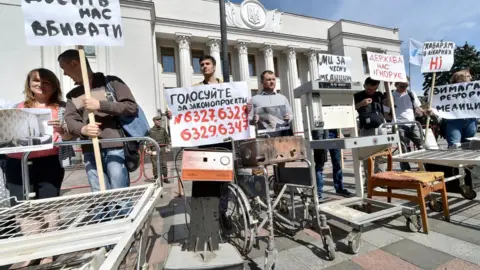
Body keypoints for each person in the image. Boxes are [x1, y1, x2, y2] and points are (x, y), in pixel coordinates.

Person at [5, 68, 72, 267]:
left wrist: (62, 129)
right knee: (23, 207)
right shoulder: (18, 107)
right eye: (36, 81)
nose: (41, 85)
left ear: (54, 86)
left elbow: (70, 137)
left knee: (49, 205)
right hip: (18, 163)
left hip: (49, 162)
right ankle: (31, 249)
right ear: (29, 84)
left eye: (46, 82)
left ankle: (49, 250)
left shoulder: (62, 108)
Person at [59, 49, 138, 192]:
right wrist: (82, 129)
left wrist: (101, 105)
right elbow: (70, 120)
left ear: (75, 63)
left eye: (64, 68)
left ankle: (124, 215)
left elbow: (131, 107)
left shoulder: (112, 83)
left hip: (115, 146)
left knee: (119, 193)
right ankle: (104, 215)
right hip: (90, 150)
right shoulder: (73, 94)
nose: (64, 73)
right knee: (99, 194)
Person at [354, 77, 390, 177]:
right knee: (367, 155)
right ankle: (369, 179)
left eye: (374, 89)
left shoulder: (379, 95)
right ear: (364, 85)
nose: (372, 91)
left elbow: (389, 105)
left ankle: (380, 178)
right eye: (369, 89)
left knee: (382, 154)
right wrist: (361, 104)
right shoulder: (358, 95)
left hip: (381, 127)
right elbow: (351, 108)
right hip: (366, 128)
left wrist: (387, 88)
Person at [391, 78, 424, 171]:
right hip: (399, 124)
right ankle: (406, 169)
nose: (404, 88)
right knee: (403, 149)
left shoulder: (411, 93)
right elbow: (386, 111)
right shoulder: (391, 95)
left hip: (413, 123)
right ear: (396, 84)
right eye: (402, 86)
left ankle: (422, 166)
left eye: (406, 86)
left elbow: (418, 107)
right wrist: (392, 124)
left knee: (421, 145)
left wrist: (423, 112)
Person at [250, 70, 293, 137]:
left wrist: (288, 117)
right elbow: (248, 119)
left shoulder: (283, 98)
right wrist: (253, 119)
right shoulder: (254, 99)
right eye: (268, 80)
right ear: (262, 81)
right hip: (264, 137)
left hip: (282, 136)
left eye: (273, 79)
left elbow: (291, 115)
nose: (272, 82)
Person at [312, 130, 352, 200]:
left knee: (337, 164)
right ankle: (318, 193)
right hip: (321, 133)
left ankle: (339, 189)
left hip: (334, 133)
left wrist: (340, 131)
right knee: (319, 165)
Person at [147, 116, 170, 182]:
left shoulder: (163, 129)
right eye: (157, 120)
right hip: (154, 149)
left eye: (160, 120)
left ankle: (165, 178)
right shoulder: (151, 131)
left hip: (162, 149)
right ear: (154, 121)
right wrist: (149, 150)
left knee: (164, 164)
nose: (159, 122)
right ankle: (156, 178)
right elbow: (148, 140)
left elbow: (167, 138)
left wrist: (167, 147)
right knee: (155, 165)